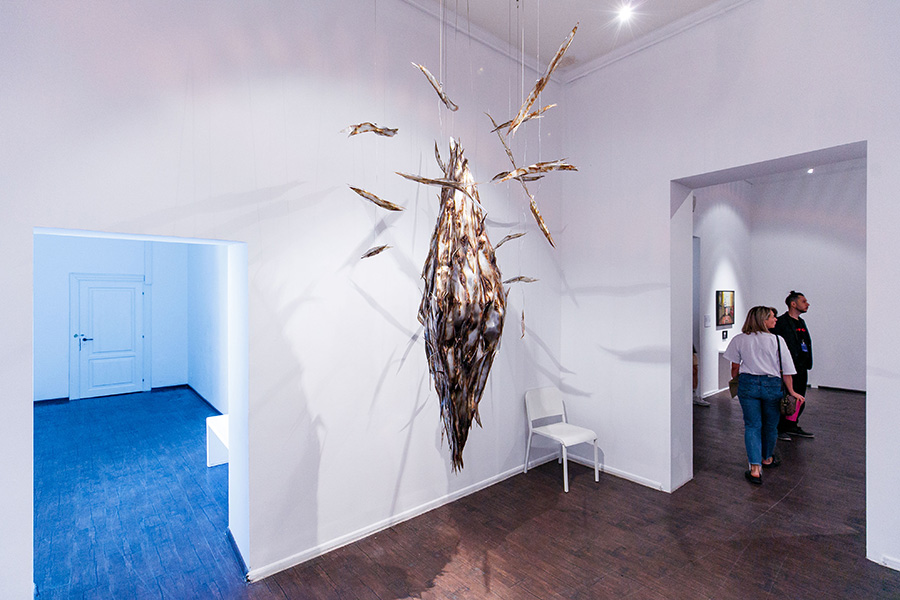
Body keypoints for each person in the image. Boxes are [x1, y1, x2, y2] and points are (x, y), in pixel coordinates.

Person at [723, 306, 805, 484]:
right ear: (763, 320)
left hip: (747, 384)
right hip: (771, 385)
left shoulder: (740, 339)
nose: (775, 319)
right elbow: (787, 370)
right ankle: (767, 458)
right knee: (770, 425)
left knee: (752, 425)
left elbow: (735, 367)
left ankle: (754, 469)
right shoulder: (777, 340)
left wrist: (737, 380)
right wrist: (792, 391)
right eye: (772, 317)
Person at [772, 291, 814, 440]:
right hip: (786, 368)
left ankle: (792, 425)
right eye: (804, 301)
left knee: (798, 397)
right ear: (793, 304)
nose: (807, 304)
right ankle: (779, 428)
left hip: (801, 367)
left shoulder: (801, 322)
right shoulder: (781, 323)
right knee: (785, 397)